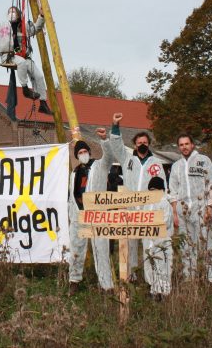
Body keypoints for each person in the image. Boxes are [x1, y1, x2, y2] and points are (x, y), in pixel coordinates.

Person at [103, 115, 168, 282]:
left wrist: (162, 210)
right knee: (130, 246)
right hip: (130, 210)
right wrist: (116, 125)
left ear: (149, 144)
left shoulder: (156, 163)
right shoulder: (127, 159)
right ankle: (130, 278)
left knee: (150, 246)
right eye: (139, 142)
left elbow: (163, 188)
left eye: (145, 142)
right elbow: (117, 146)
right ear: (134, 144)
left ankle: (152, 279)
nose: (142, 145)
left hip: (149, 211)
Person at [0, 2, 51, 114]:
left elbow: (36, 28)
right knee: (22, 63)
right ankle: (25, 89)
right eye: (9, 12)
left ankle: (43, 103)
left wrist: (41, 16)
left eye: (13, 12)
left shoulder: (25, 27)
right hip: (9, 56)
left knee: (39, 76)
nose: (11, 14)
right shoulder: (3, 26)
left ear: (18, 14)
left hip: (23, 56)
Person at [168, 134, 212, 283]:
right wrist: (175, 212)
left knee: (207, 243)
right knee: (186, 245)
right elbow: (173, 190)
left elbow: (211, 184)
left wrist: (210, 208)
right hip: (183, 210)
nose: (184, 147)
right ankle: (189, 277)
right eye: (181, 145)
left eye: (187, 144)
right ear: (178, 147)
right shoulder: (176, 166)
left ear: (192, 145)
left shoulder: (203, 161)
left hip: (201, 209)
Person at [67, 128, 114, 294]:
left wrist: (104, 140)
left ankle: (106, 286)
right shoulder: (75, 173)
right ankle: (74, 281)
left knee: (101, 250)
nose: (83, 154)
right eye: (80, 152)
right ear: (77, 156)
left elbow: (109, 157)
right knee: (76, 250)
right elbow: (72, 196)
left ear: (89, 151)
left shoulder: (99, 166)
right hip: (79, 215)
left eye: (85, 151)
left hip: (97, 215)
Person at [142, 176, 173, 298]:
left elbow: (165, 222)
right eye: (151, 189)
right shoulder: (147, 204)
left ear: (161, 190)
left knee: (163, 266)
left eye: (156, 189)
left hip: (162, 241)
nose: (153, 192)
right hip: (148, 241)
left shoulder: (165, 203)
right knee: (149, 265)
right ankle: (153, 289)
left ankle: (163, 292)